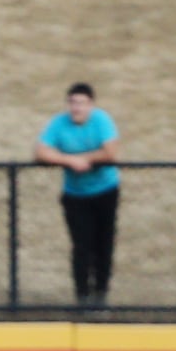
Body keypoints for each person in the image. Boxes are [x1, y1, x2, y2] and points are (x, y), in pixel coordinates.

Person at [34, 82, 121, 307]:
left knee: (104, 244)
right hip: (75, 195)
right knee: (81, 246)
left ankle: (101, 293)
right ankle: (82, 296)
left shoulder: (102, 120)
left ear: (91, 105)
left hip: (105, 191)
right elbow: (41, 151)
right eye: (72, 103)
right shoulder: (59, 123)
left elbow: (110, 152)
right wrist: (69, 160)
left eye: (81, 103)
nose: (76, 108)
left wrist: (87, 160)